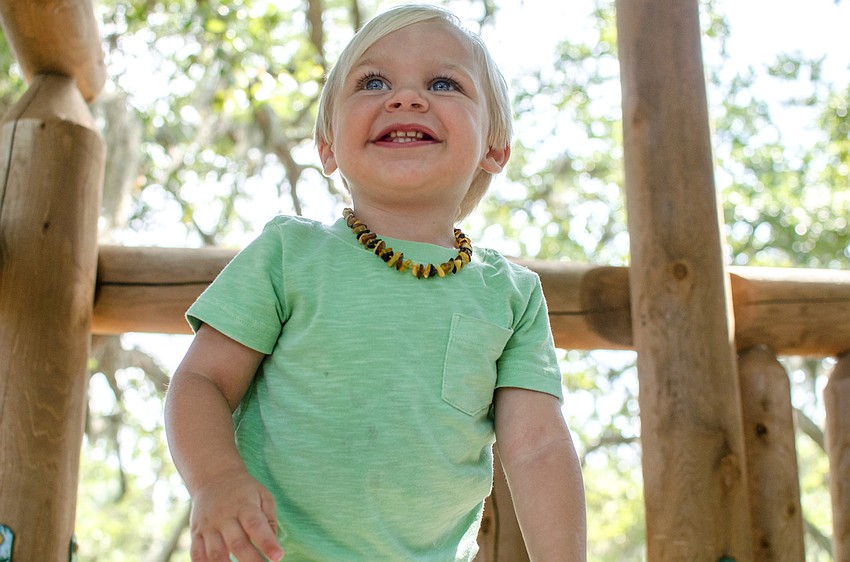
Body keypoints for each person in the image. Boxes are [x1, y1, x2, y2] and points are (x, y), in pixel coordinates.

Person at [164, 4, 587, 561]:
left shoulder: (511, 296)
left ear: (494, 146)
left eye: (443, 82)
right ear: (328, 146)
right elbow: (201, 384)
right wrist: (215, 480)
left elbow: (538, 447)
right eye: (373, 82)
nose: (406, 98)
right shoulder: (288, 255)